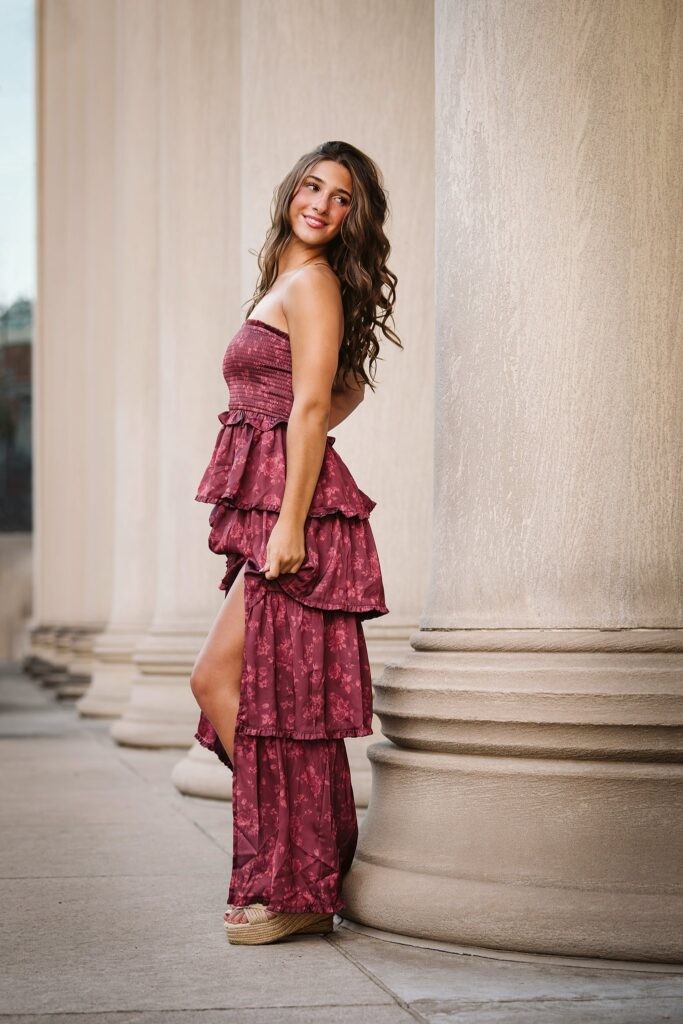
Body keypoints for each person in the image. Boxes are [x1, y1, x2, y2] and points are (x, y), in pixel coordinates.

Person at [190, 140, 402, 946]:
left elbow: (315, 407)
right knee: (262, 699)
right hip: (281, 504)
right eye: (312, 186)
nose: (321, 204)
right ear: (291, 192)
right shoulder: (291, 279)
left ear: (353, 217)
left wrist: (286, 518)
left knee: (232, 685)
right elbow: (337, 389)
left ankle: (297, 876)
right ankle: (299, 868)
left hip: (295, 516)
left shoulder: (312, 284)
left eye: (341, 198)